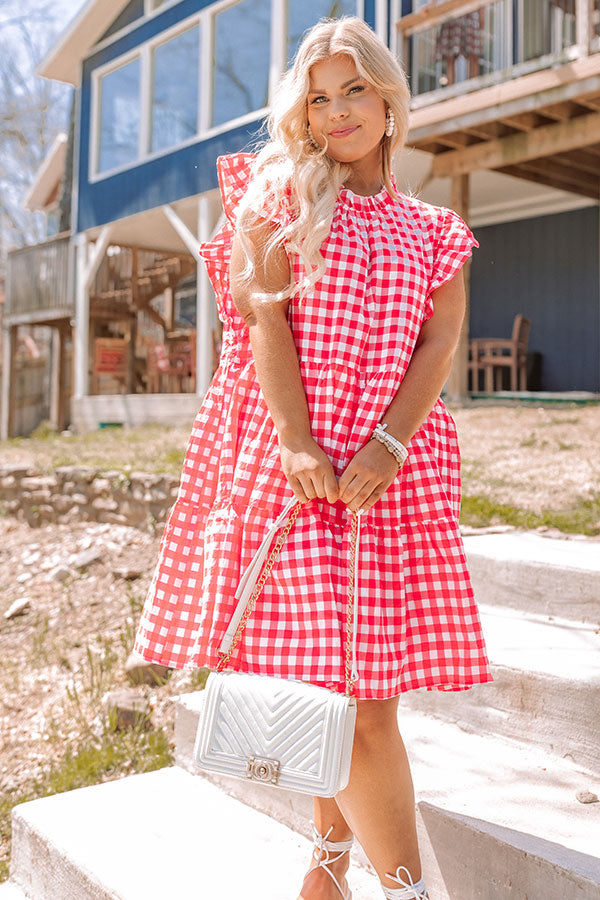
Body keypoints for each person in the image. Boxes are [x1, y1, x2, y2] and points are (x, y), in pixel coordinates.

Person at [133, 16, 493, 900]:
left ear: (387, 100)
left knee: (369, 691)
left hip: (392, 473)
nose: (336, 113)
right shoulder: (276, 199)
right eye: (319, 97)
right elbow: (266, 327)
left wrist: (390, 439)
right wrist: (297, 444)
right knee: (350, 698)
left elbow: (441, 338)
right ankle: (405, 890)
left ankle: (332, 865)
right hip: (295, 467)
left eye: (353, 91)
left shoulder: (434, 228)